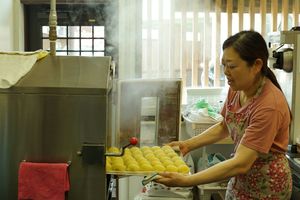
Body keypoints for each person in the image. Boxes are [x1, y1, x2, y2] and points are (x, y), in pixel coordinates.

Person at [155, 30, 292, 199]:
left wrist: (186, 180)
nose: (226, 72)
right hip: (240, 181)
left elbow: (241, 163)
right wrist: (187, 145)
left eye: (232, 66)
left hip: (267, 187)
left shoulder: (269, 105)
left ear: (256, 65)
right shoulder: (237, 89)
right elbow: (224, 126)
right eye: (224, 65)